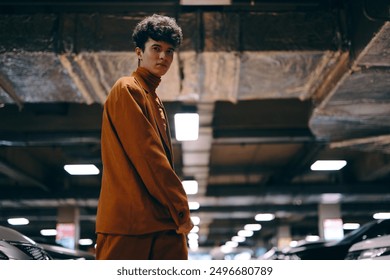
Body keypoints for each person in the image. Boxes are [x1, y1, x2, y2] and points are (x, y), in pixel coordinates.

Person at [95, 14, 193, 260]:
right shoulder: (128, 89)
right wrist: (180, 208)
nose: (163, 57)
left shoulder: (153, 97)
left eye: (169, 51)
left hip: (157, 224)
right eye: (156, 48)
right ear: (139, 51)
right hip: (132, 228)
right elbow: (148, 155)